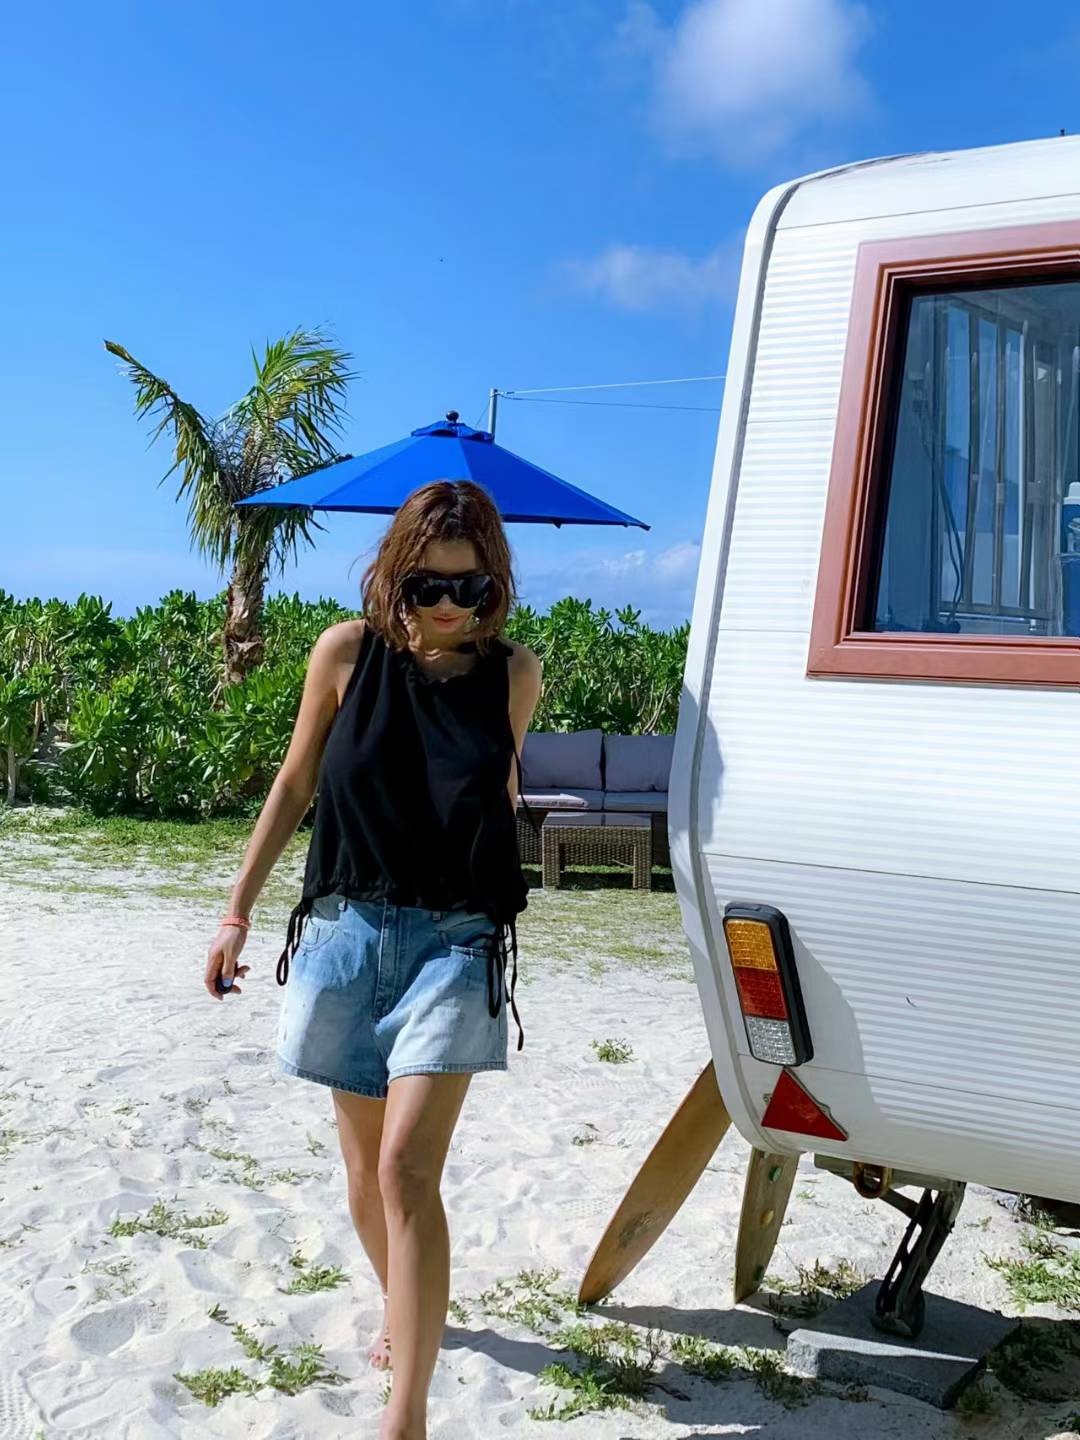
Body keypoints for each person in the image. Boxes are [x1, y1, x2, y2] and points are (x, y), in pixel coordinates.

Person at [203, 478, 543, 1440]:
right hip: (345, 935)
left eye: (471, 588)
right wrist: (236, 912)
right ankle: (408, 1309)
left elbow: (496, 786)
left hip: (455, 943)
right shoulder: (344, 654)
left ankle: (407, 1415)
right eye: (429, 586)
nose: (449, 606)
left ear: (495, 586)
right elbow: (296, 780)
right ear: (394, 578)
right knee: (363, 1180)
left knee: (403, 1170)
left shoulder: (515, 674)